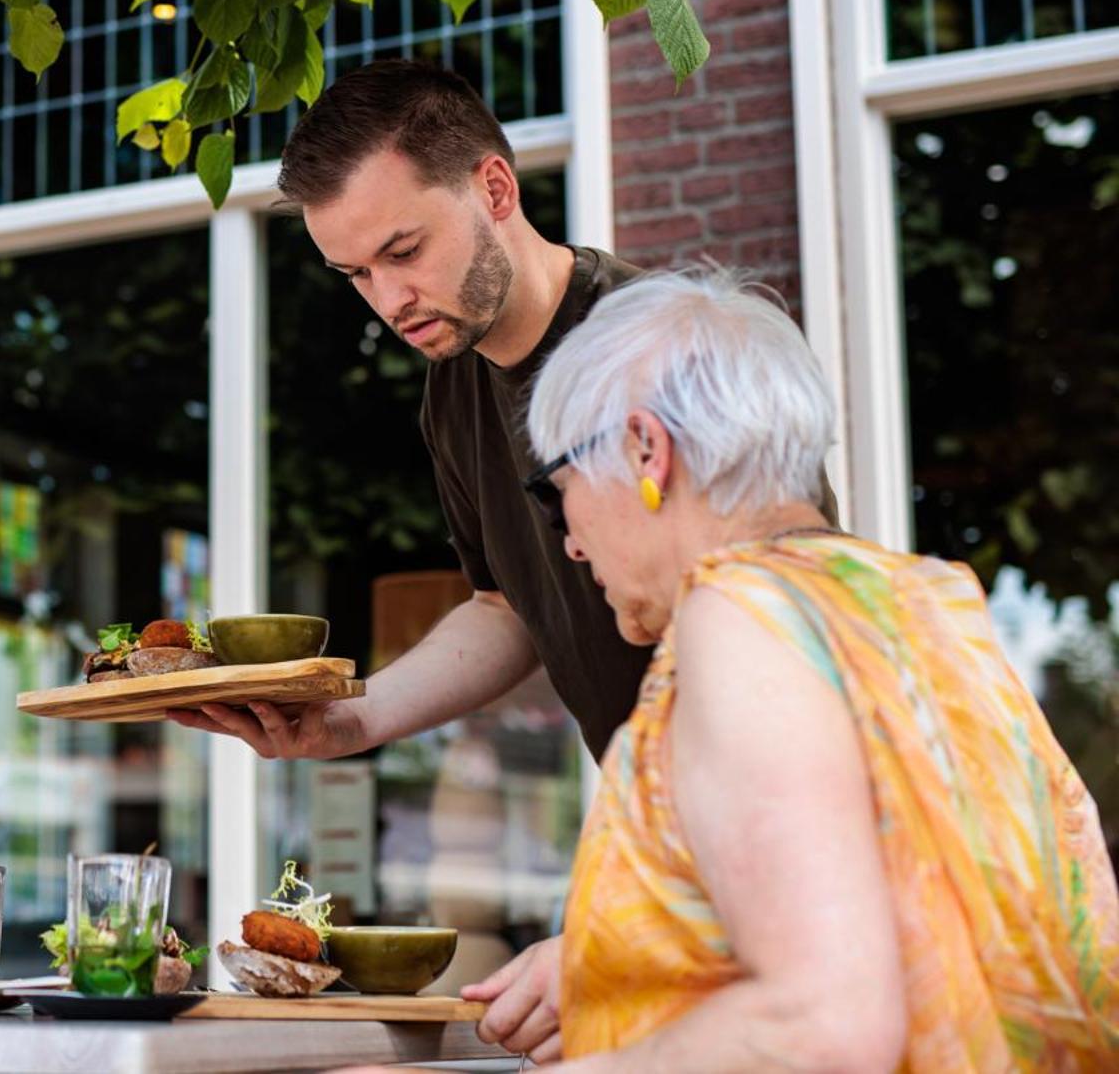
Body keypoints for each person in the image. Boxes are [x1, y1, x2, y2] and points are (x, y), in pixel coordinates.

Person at [170, 59, 835, 1054]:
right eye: (354, 274)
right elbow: (508, 603)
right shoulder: (455, 387)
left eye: (403, 249)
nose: (386, 300)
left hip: (771, 863)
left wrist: (624, 934)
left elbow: (805, 612)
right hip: (673, 865)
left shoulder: (655, 350)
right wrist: (353, 721)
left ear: (492, 189)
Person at [514, 270, 1119, 1068]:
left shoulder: (740, 615)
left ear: (645, 448)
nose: (571, 543)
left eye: (559, 495)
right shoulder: (924, 604)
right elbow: (928, 917)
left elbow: (822, 1024)